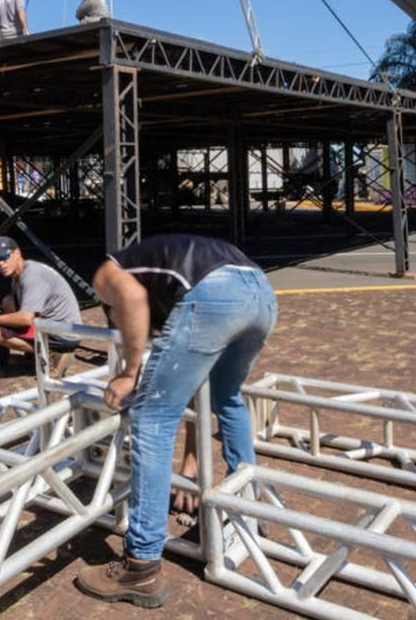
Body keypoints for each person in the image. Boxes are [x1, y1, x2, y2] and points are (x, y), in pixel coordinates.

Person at [74, 233, 276, 608]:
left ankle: (140, 565)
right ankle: (248, 506)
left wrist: (129, 372)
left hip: (218, 293)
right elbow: (189, 382)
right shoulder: (169, 275)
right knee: (226, 397)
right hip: (261, 292)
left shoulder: (108, 271)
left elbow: (131, 300)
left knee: (151, 415)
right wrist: (191, 459)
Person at [0, 236, 82, 367]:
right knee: (8, 301)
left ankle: (52, 353)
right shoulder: (19, 274)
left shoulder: (32, 276)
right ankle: (34, 350)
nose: (1, 263)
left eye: (5, 256)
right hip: (52, 323)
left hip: (64, 334)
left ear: (17, 253)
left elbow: (25, 319)